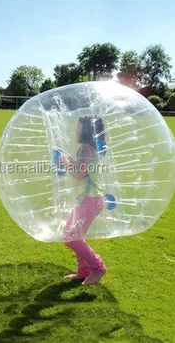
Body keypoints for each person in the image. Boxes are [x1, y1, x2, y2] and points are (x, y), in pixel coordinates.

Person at [60, 115, 106, 285]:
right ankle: (84, 271)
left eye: (78, 127)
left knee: (70, 237)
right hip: (91, 199)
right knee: (76, 235)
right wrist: (70, 159)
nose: (76, 130)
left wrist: (65, 162)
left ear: (86, 130)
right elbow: (84, 170)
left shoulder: (85, 148)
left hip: (90, 199)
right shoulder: (92, 147)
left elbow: (78, 175)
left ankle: (98, 268)